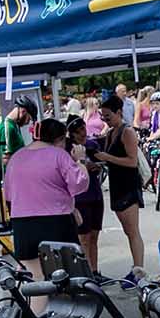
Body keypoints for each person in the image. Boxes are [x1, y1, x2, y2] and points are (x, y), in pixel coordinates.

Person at [1, 116, 88, 274]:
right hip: (56, 222)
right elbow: (79, 184)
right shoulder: (59, 155)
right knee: (66, 275)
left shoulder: (16, 158)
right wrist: (80, 162)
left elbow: (8, 196)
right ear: (60, 139)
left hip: (22, 225)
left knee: (36, 280)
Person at [87, 92, 147, 282]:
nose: (105, 120)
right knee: (128, 231)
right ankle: (136, 269)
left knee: (133, 231)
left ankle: (139, 271)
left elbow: (132, 161)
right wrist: (100, 164)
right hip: (117, 185)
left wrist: (107, 158)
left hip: (128, 186)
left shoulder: (127, 131)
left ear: (119, 112)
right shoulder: (112, 132)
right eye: (102, 117)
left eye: (108, 116)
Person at [65, 114, 105, 269]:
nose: (83, 133)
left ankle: (95, 271)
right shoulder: (69, 149)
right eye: (78, 131)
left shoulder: (91, 146)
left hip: (95, 194)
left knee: (94, 236)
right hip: (81, 198)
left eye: (84, 129)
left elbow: (100, 161)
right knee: (84, 239)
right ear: (71, 134)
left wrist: (98, 166)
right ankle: (86, 272)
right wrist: (81, 164)